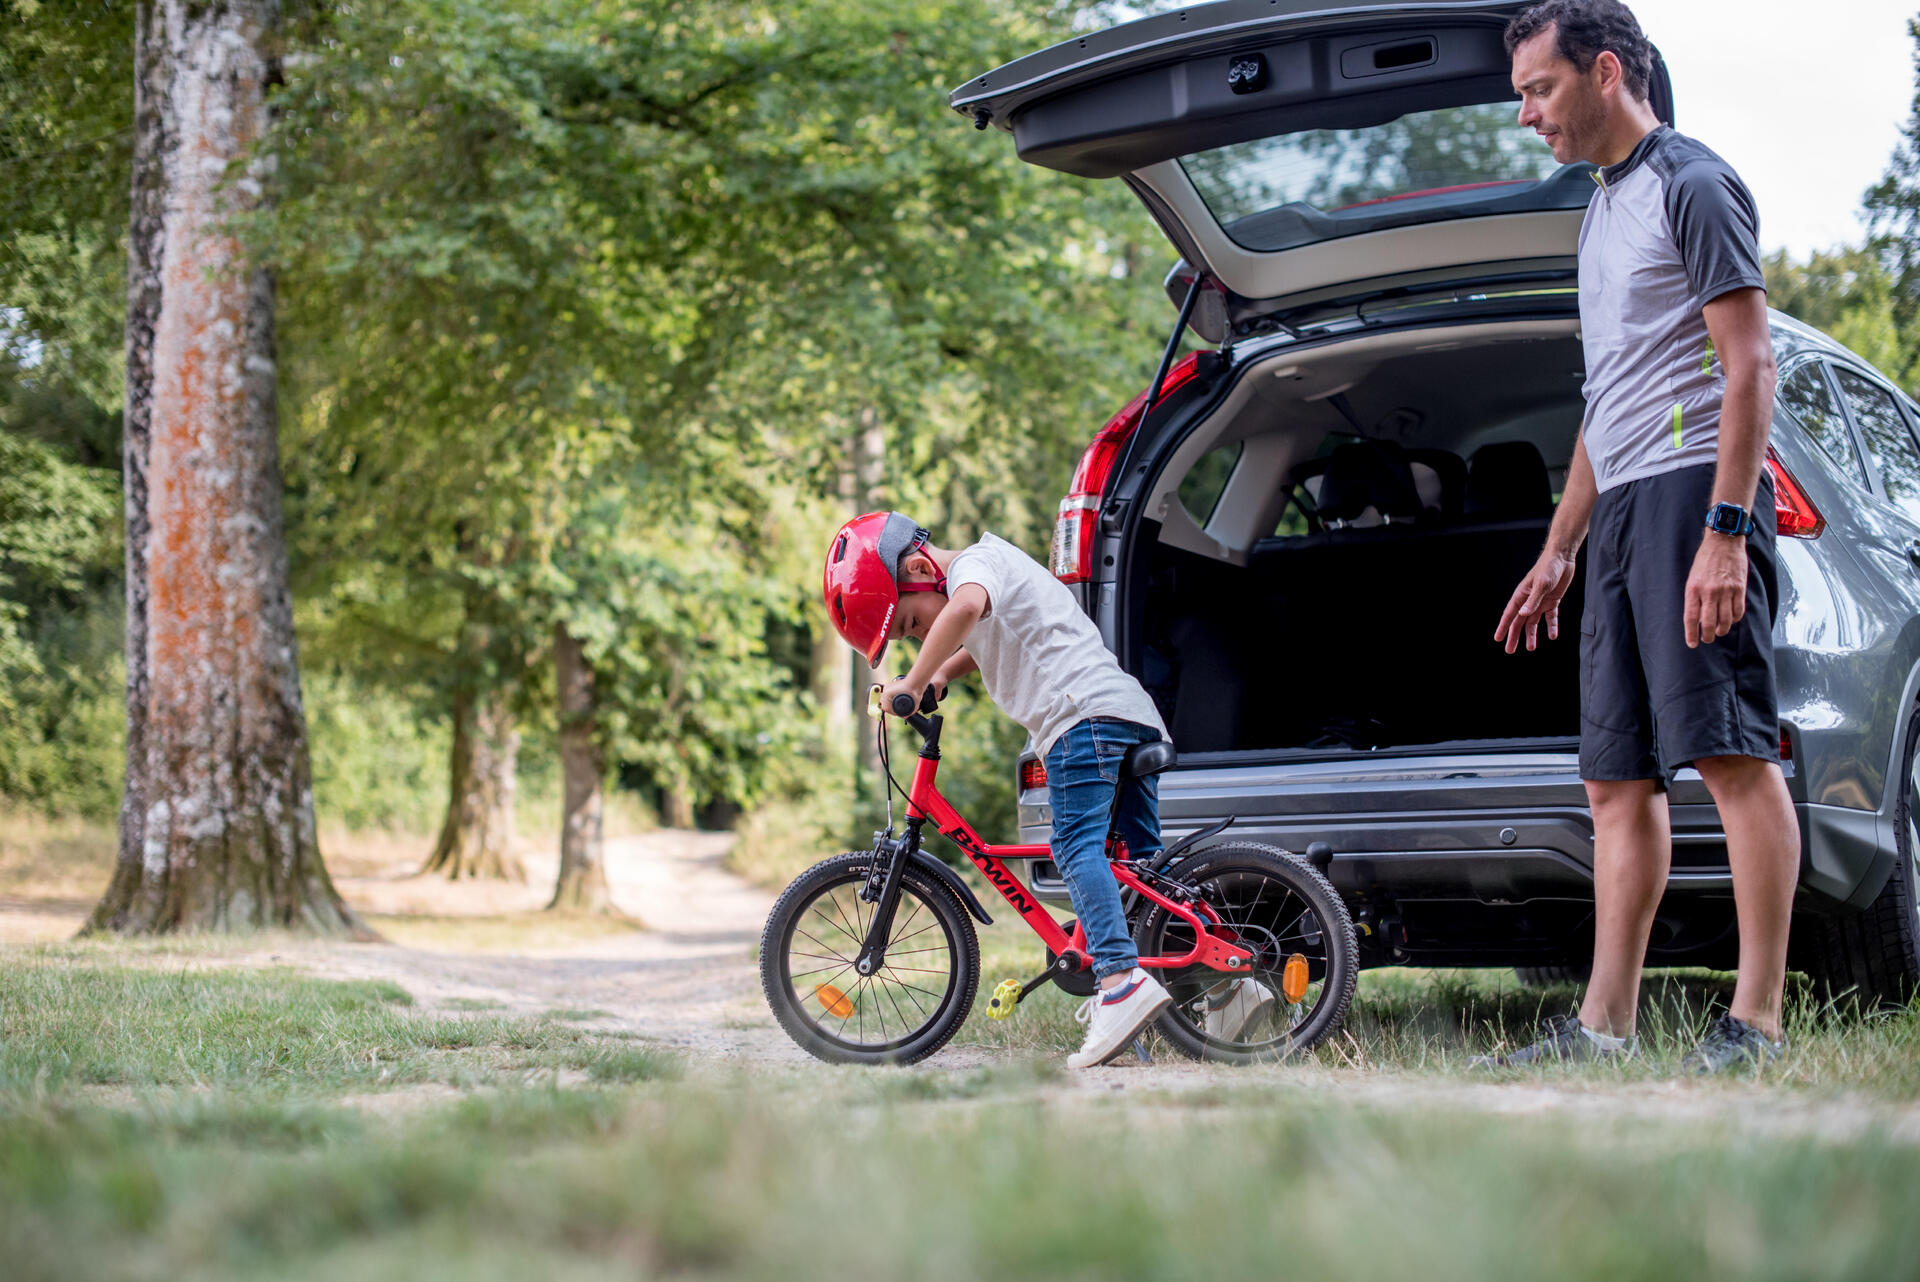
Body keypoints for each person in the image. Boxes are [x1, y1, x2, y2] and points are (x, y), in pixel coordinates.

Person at [1485, 0, 1797, 1073]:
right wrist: (1561, 547)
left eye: (1539, 88)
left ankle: (1756, 1021)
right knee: (1616, 780)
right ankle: (1602, 1027)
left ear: (1606, 70)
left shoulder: (1691, 183)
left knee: (1728, 751)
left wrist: (1724, 530)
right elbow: (1608, 400)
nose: (1526, 114)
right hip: (1620, 510)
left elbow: (1750, 362)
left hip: (1692, 495)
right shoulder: (1599, 212)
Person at [822, 511, 1273, 1068]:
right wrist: (940, 676)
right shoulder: (986, 573)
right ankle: (1230, 988)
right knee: (1143, 867)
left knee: (1074, 847)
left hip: (1080, 720)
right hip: (1123, 712)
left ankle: (1121, 984)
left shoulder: (974, 567)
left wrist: (912, 682)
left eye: (912, 624)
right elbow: (981, 631)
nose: (918, 637)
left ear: (918, 568)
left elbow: (963, 610)